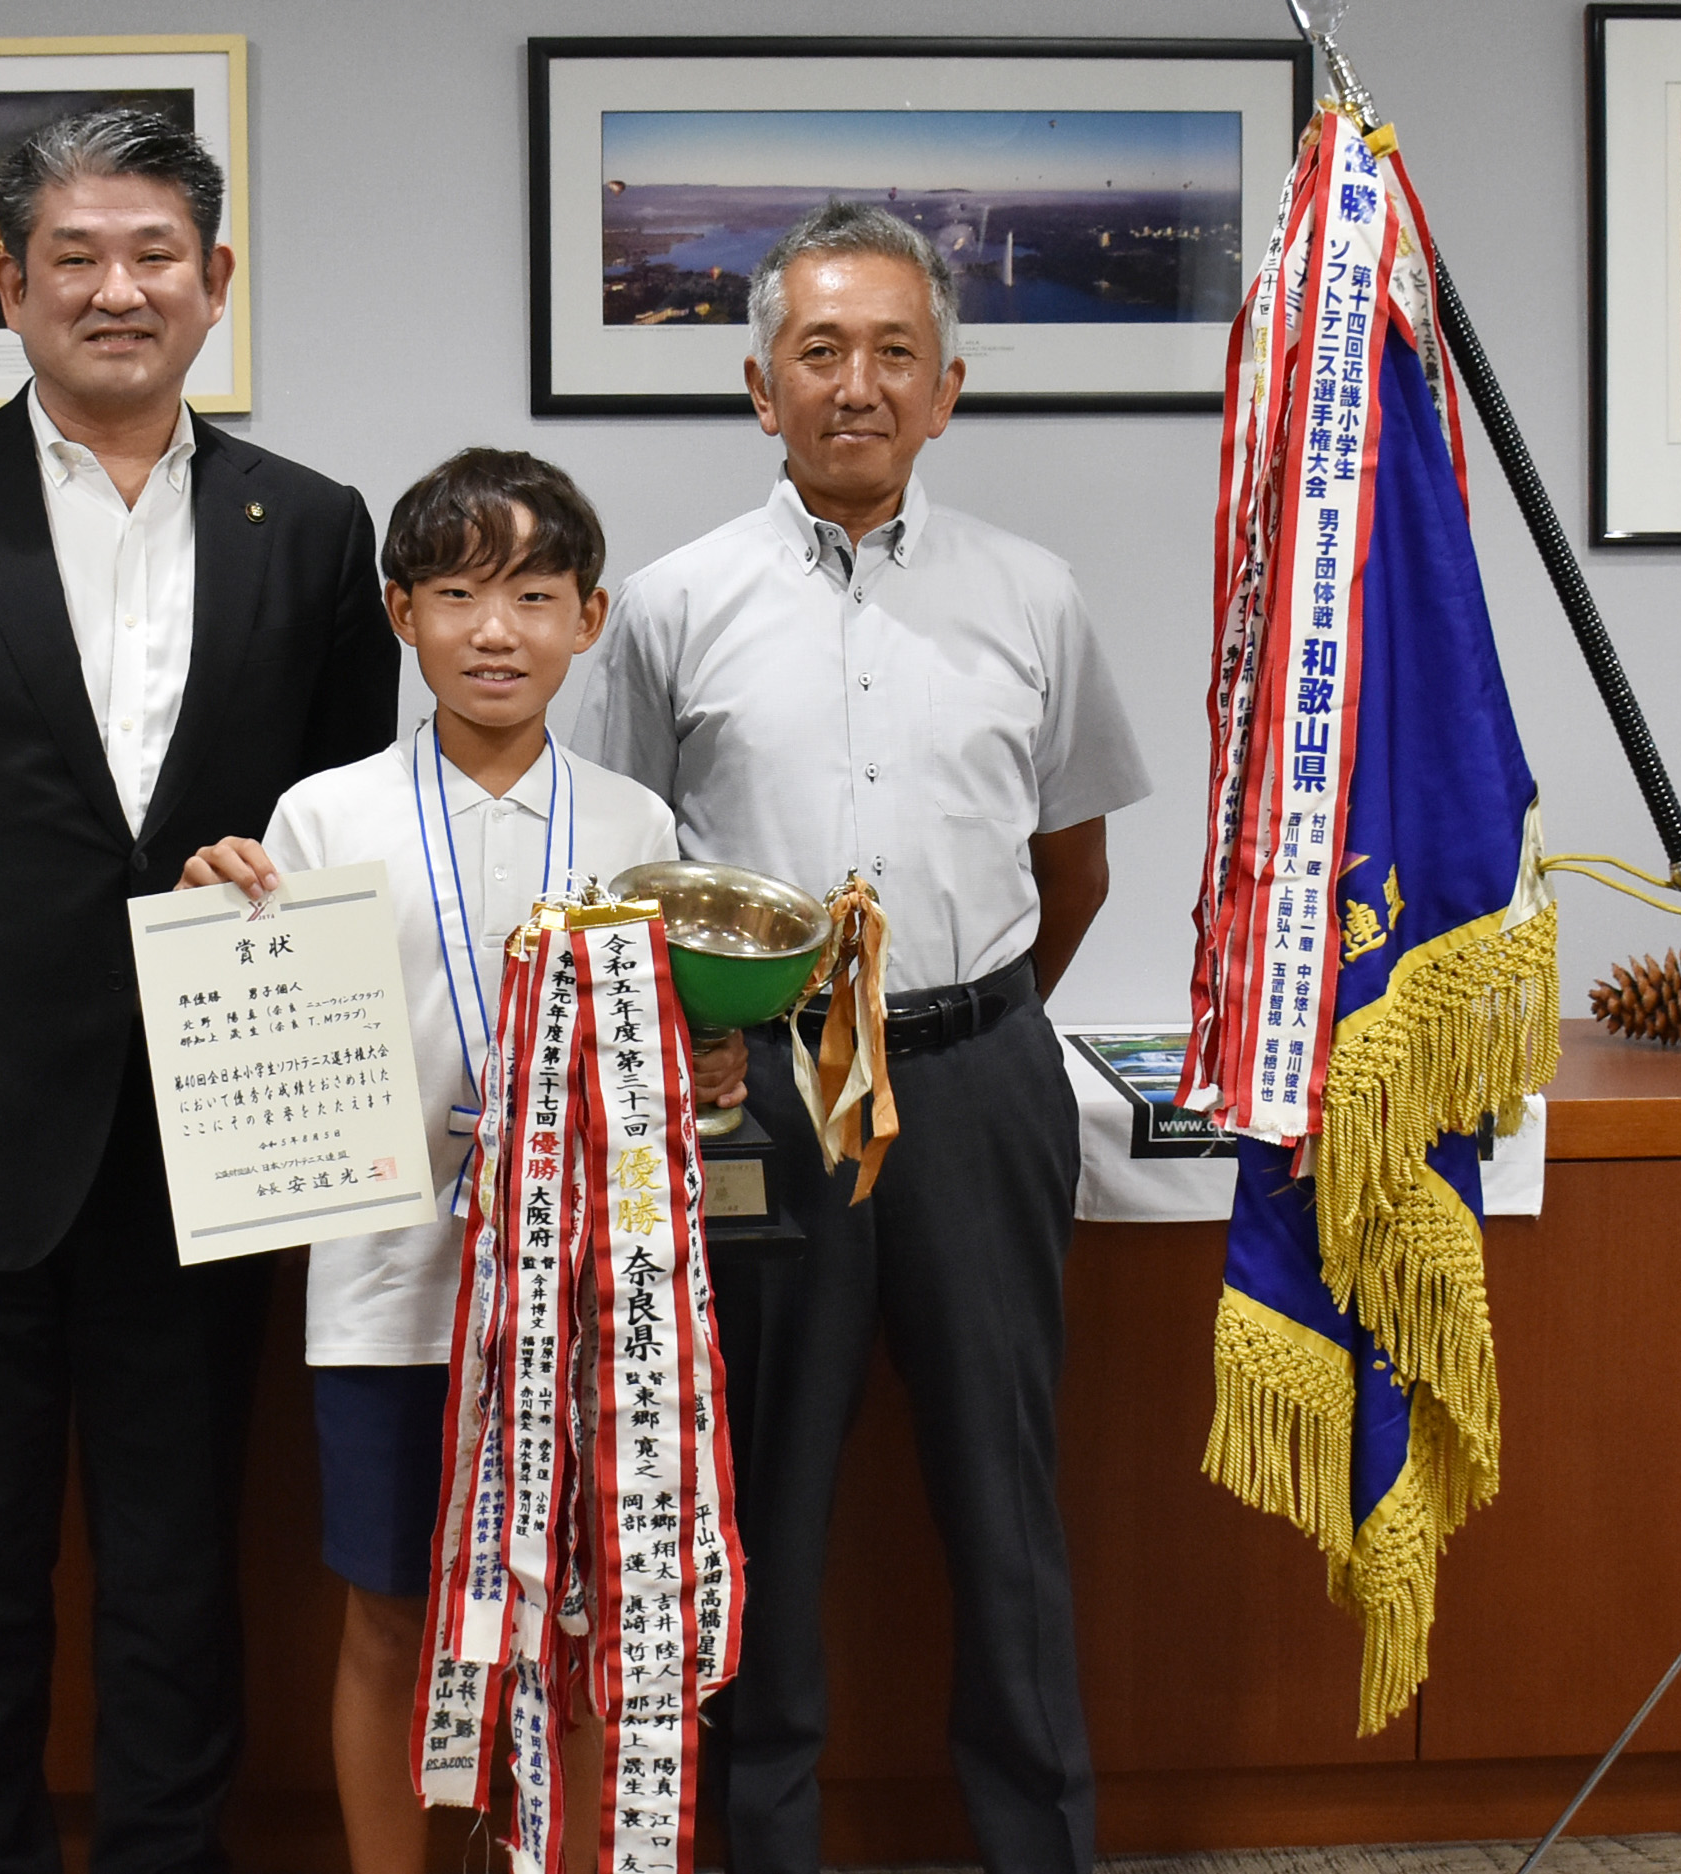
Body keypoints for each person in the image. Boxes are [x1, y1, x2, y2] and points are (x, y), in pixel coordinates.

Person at [0, 107, 399, 1874]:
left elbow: (338, 840)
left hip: (219, 1145)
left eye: (156, 258)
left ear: (217, 285)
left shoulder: (313, 529)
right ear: (10, 284)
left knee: (182, 1591)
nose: (119, 291)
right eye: (76, 260)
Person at [569, 201, 1153, 1874]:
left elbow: (1075, 860)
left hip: (979, 1080)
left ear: (949, 386)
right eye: (819, 352)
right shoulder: (672, 606)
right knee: (758, 1516)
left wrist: (970, 1028)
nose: (857, 384)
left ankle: (1039, 1848)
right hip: (759, 1096)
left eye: (894, 352)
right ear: (759, 386)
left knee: (1007, 1501)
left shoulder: (1032, 596)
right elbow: (629, 864)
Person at [175, 449, 742, 1874]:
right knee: (391, 1607)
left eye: (536, 595)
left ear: (590, 619)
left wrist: (713, 1057)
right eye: (461, 593)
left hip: (586, 1306)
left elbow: (661, 1060)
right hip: (388, 1288)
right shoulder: (319, 816)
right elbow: (256, 1030)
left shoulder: (635, 828)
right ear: (400, 613)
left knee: (578, 1612)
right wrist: (210, 918)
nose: (499, 630)